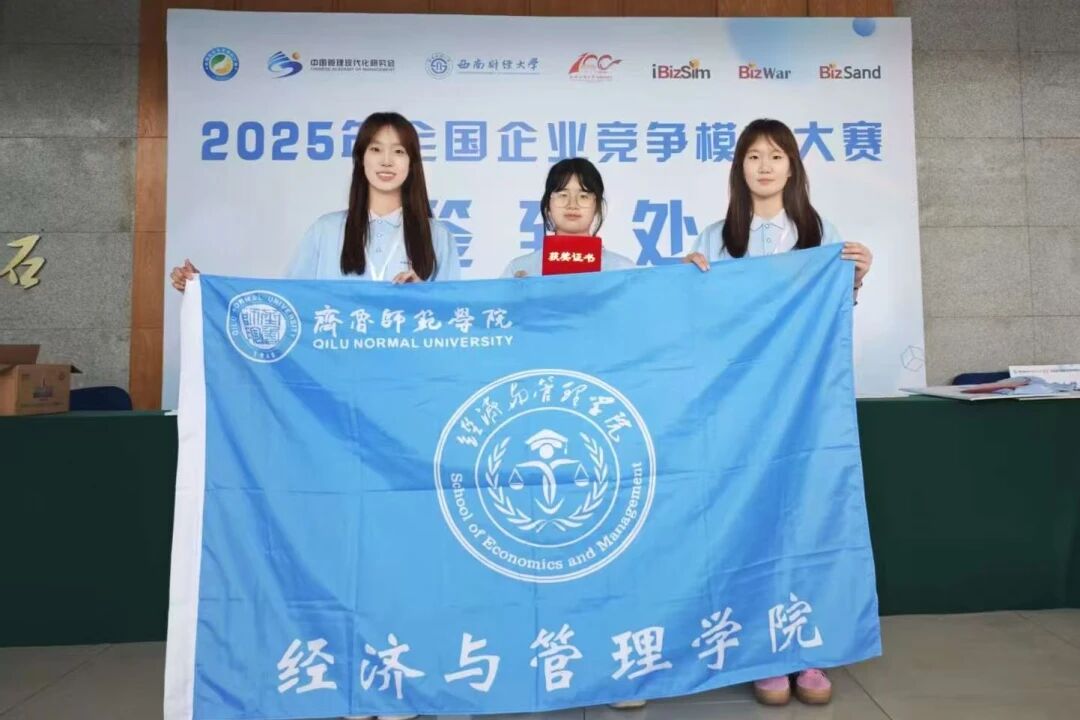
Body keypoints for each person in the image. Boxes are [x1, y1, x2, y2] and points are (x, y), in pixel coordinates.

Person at [684, 118, 873, 706]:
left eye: (775, 155)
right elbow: (702, 325)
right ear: (738, 168)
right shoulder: (717, 237)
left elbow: (831, 318)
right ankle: (762, 650)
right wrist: (688, 283)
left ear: (793, 166)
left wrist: (855, 279)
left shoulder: (819, 232)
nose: (764, 166)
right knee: (748, 520)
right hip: (738, 407)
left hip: (804, 405)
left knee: (806, 518)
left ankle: (806, 647)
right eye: (753, 156)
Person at [170, 111, 460, 293]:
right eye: (375, 149)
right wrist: (205, 292)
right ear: (361, 159)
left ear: (412, 163)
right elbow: (288, 301)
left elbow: (457, 320)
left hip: (408, 370)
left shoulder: (438, 235)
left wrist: (424, 297)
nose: (386, 161)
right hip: (336, 370)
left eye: (398, 151)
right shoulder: (327, 230)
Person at [501, 157, 635, 278]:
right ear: (548, 204)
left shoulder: (624, 270)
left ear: (597, 205)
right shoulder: (520, 270)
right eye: (563, 195)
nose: (572, 205)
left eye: (583, 196)